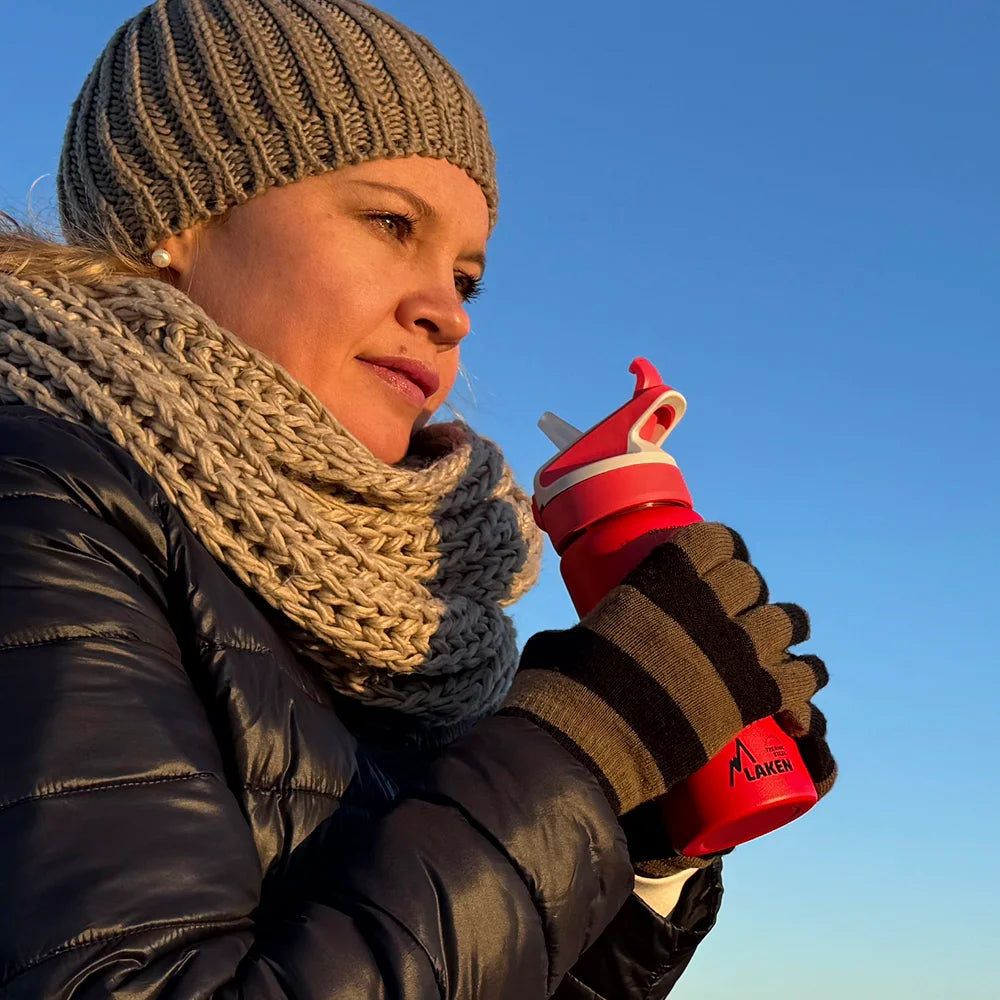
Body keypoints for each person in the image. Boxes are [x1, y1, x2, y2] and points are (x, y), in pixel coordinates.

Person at [0, 1, 837, 996]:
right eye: (391, 223)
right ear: (179, 214)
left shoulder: (392, 613)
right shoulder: (39, 500)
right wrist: (579, 746)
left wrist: (639, 835)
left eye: (467, 277)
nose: (447, 311)